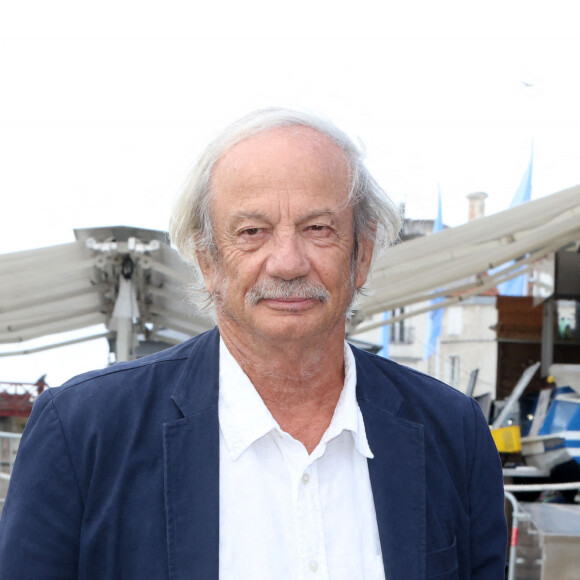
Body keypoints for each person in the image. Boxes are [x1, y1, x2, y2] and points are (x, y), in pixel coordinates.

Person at [0, 108, 507, 579]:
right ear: (206, 259)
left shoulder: (453, 434)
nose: (287, 262)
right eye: (252, 231)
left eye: (318, 228)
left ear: (364, 253)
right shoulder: (83, 432)